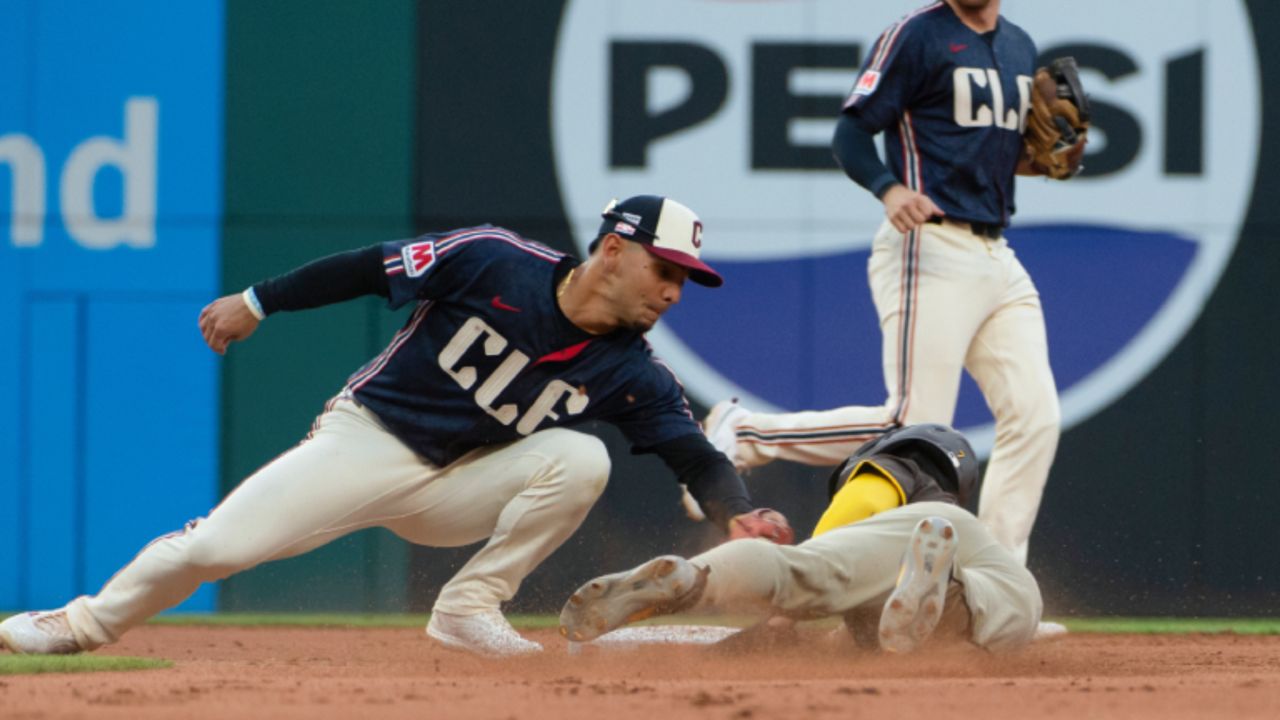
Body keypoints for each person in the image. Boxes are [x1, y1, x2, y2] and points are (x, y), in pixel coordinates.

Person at [0, 195, 792, 659]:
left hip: (465, 487)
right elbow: (366, 267)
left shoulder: (634, 370)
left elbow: (691, 453)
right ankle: (78, 624)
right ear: (614, 251)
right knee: (216, 548)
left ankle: (468, 608)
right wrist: (258, 300)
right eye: (667, 271)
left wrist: (737, 515)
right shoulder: (494, 260)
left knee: (581, 457)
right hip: (371, 439)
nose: (677, 293)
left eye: (687, 279)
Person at [703, 0, 1079, 565]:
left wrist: (1041, 159)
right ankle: (750, 434)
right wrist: (888, 187)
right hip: (929, 243)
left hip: (996, 251)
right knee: (914, 426)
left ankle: (994, 579)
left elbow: (991, 156)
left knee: (1035, 415)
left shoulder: (1019, 46)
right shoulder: (916, 36)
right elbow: (850, 133)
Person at [560, 502, 1042, 654]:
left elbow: (806, 586)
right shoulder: (918, 481)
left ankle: (696, 577)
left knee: (804, 574)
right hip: (947, 539)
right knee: (1018, 606)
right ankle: (947, 598)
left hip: (899, 544)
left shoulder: (860, 495)